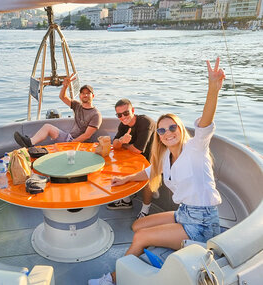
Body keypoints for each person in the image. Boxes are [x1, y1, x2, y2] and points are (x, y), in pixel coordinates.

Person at [88, 58, 225, 285]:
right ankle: (164, 254)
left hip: (202, 223)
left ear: (180, 129)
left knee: (141, 236)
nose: (167, 132)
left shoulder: (195, 148)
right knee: (137, 226)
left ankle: (112, 279)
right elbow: (149, 172)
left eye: (172, 127)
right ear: (159, 135)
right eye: (162, 130)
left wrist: (213, 88)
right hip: (183, 213)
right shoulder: (165, 156)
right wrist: (124, 179)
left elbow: (205, 122)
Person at [14, 74, 102, 147]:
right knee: (47, 127)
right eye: (83, 93)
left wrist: (71, 144)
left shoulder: (96, 114)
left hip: (82, 144)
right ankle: (30, 143)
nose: (85, 95)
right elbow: (62, 97)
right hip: (69, 138)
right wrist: (65, 86)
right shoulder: (77, 105)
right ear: (80, 96)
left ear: (93, 96)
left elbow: (87, 135)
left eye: (88, 93)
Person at [107, 99, 156, 218]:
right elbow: (115, 145)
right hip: (136, 158)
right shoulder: (123, 125)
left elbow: (137, 149)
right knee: (116, 164)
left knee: (148, 178)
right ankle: (126, 200)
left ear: (133, 110)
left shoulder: (145, 122)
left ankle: (145, 210)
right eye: (119, 115)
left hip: (153, 158)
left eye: (126, 113)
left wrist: (124, 144)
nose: (123, 117)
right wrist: (121, 140)